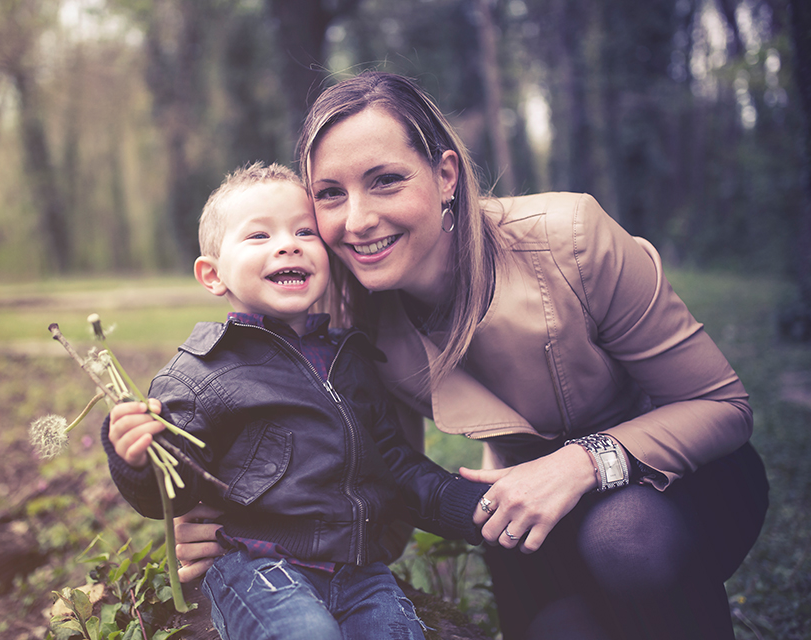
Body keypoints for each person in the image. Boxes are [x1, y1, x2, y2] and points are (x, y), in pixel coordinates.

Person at [174, 72, 770, 640]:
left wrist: (580, 463)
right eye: (331, 194)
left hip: (672, 476)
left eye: (386, 180)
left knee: (627, 538)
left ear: (445, 175)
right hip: (522, 509)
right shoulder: (346, 313)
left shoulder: (572, 239)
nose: (357, 221)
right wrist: (229, 525)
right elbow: (376, 473)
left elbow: (723, 406)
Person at [103, 161, 492, 640]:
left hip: (356, 569)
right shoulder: (201, 372)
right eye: (259, 237)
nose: (288, 244)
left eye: (305, 232)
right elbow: (176, 489)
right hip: (257, 565)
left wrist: (471, 505)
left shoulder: (350, 359)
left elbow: (394, 464)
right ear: (212, 274)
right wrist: (136, 460)